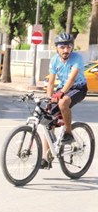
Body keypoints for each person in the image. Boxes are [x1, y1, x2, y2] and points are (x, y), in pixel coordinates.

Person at [42, 32, 87, 167]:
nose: (66, 50)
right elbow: (50, 83)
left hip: (78, 88)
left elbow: (72, 77)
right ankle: (46, 157)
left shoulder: (77, 58)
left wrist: (61, 93)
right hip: (62, 89)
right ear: (57, 48)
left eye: (69, 47)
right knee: (47, 120)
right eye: (62, 47)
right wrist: (49, 99)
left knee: (63, 102)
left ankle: (68, 133)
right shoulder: (54, 60)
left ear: (72, 48)